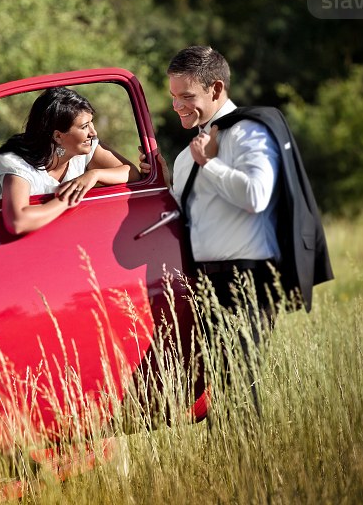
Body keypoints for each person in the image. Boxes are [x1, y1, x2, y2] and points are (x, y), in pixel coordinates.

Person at [141, 45, 332, 415]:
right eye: (173, 97)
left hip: (248, 280)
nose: (177, 105)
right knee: (214, 392)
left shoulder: (249, 133)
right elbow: (183, 217)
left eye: (187, 96)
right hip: (204, 283)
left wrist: (209, 165)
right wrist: (161, 184)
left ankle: (254, 465)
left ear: (215, 89)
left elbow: (256, 196)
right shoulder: (185, 157)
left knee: (242, 390)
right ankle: (232, 462)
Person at [0, 86, 137, 235]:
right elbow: (18, 222)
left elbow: (132, 173)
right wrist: (68, 198)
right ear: (58, 136)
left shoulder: (85, 148)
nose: (93, 133)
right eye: (85, 126)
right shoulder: (17, 163)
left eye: (91, 123)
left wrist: (94, 175)